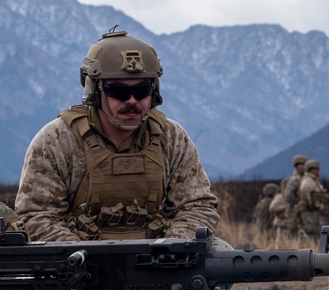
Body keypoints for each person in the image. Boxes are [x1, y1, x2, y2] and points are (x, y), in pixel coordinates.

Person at [15, 28, 219, 242]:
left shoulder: (171, 137)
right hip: (80, 261)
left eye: (141, 91)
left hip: (158, 257)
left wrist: (171, 250)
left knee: (219, 254)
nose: (131, 100)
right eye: (119, 91)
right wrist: (82, 258)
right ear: (95, 91)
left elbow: (197, 206)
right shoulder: (57, 140)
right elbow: (36, 216)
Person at [294, 159, 328, 240]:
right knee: (310, 230)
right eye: (317, 169)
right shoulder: (308, 180)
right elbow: (304, 191)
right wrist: (310, 205)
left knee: (317, 229)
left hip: (315, 210)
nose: (318, 171)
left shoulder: (314, 180)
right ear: (312, 169)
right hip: (309, 211)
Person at [280, 154, 308, 234]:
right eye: (301, 165)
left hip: (301, 211)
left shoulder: (304, 178)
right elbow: (288, 195)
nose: (303, 167)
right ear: (296, 166)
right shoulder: (295, 179)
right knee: (294, 233)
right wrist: (296, 204)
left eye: (304, 165)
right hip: (293, 211)